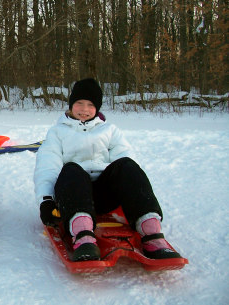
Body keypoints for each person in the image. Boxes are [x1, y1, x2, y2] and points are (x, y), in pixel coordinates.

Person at [34, 78, 182, 261]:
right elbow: (48, 165)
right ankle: (83, 236)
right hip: (73, 193)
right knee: (71, 168)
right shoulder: (57, 132)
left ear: (97, 108)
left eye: (90, 104)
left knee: (127, 165)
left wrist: (133, 190)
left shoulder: (109, 130)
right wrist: (46, 200)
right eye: (79, 103)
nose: (84, 109)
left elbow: (128, 167)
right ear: (71, 105)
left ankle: (151, 232)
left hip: (105, 194)